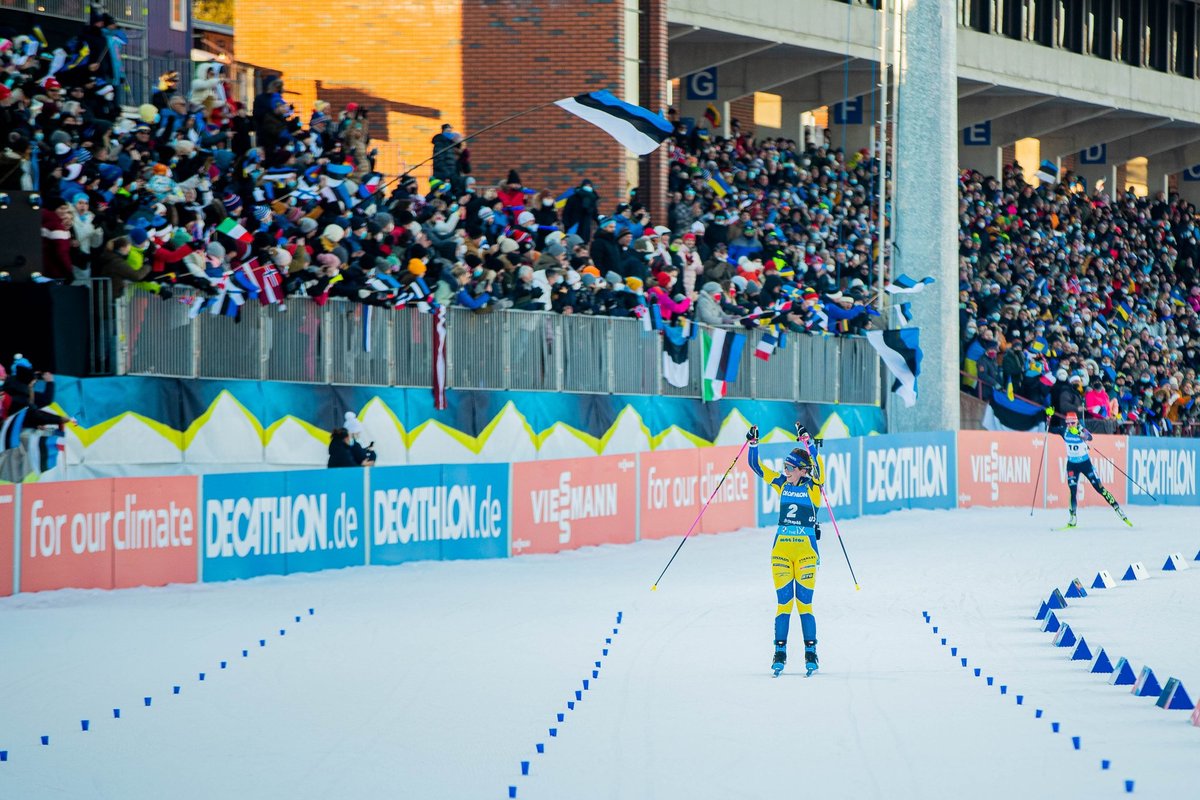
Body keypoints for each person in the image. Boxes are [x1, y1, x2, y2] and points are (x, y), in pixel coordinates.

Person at [746, 423, 824, 676]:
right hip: (780, 552)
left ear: (802, 470)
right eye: (785, 467)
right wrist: (753, 444)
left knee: (804, 606)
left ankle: (810, 652)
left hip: (806, 555)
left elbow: (818, 467)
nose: (785, 471)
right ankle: (779, 652)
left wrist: (807, 441)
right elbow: (756, 467)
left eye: (789, 468)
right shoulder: (781, 484)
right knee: (783, 605)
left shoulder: (814, 488)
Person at [1045, 408, 1130, 528]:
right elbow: (1049, 429)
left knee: (1099, 488)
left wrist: (1079, 434)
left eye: (1072, 423)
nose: (1070, 425)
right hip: (1072, 465)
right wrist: (1049, 418)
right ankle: (1073, 518)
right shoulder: (1064, 431)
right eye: (1068, 423)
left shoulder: (1080, 429)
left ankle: (1117, 509)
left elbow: (1089, 437)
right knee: (1073, 491)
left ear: (1077, 422)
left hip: (1085, 464)